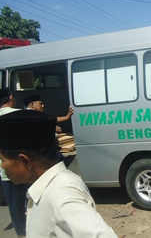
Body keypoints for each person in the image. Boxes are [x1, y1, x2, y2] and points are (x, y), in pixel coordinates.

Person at [0, 109, 118, 237]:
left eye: (3, 160)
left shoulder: (61, 195)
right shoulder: (47, 188)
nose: (2, 166)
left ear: (25, 161)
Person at [0, 88, 28, 238]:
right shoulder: (20, 115)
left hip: (6, 170)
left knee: (14, 204)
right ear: (11, 98)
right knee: (33, 199)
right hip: (27, 166)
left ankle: (21, 233)